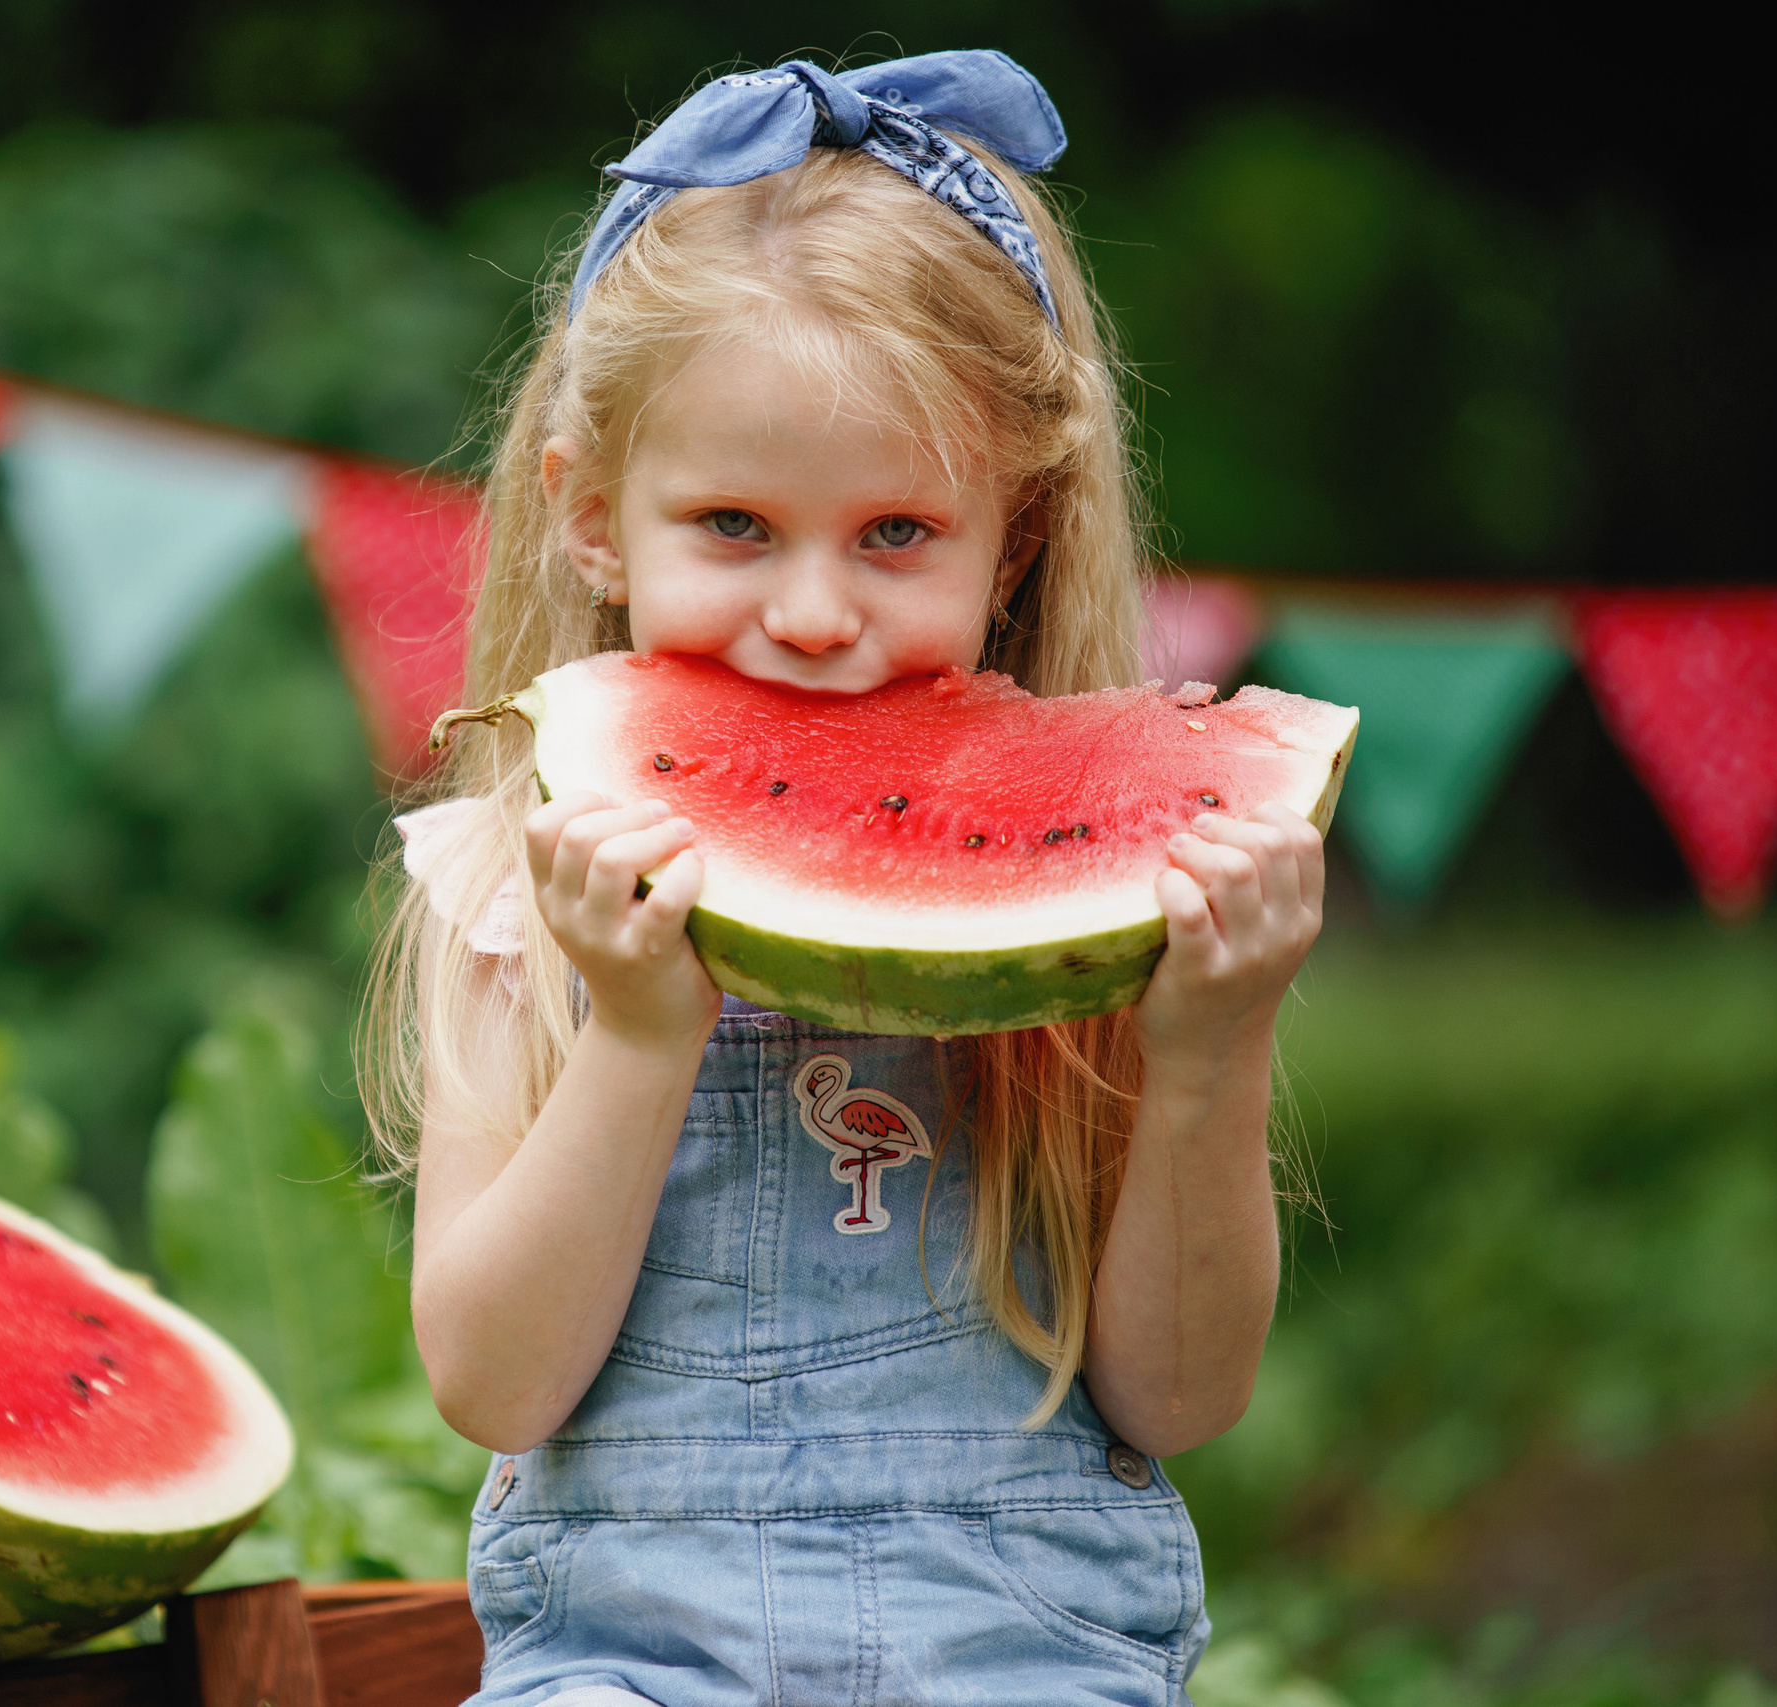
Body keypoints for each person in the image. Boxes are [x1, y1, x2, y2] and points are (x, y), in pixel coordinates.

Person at [362, 49, 1323, 1707]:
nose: (813, 611)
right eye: (733, 525)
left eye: (896, 534)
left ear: (1010, 542)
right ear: (592, 519)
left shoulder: (1104, 911)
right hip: (629, 1665)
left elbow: (1176, 1395)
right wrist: (638, 1034)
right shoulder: (515, 891)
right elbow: (495, 1385)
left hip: (1025, 1653)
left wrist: (1211, 1046)